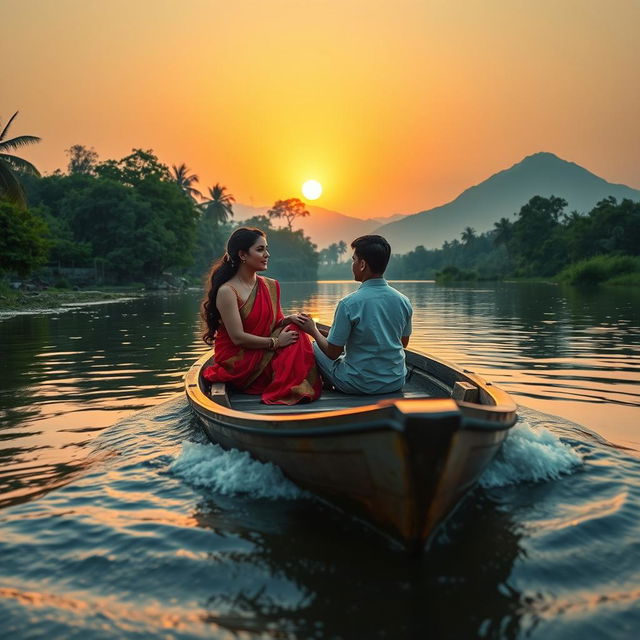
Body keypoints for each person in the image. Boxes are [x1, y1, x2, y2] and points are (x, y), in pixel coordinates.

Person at [201, 227, 321, 405]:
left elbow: (274, 323)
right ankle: (292, 387)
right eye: (260, 249)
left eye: (266, 248)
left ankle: (295, 386)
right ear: (242, 255)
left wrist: (289, 319)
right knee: (293, 338)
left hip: (262, 351)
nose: (267, 254)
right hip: (240, 360)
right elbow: (238, 338)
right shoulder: (228, 291)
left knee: (297, 328)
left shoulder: (271, 285)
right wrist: (277, 343)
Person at [293, 235, 412, 394]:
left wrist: (313, 330)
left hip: (359, 384)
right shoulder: (403, 301)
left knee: (315, 347)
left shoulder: (349, 304)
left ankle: (327, 384)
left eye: (353, 259)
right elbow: (403, 342)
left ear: (362, 264)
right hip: (395, 382)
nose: (352, 264)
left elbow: (332, 352)